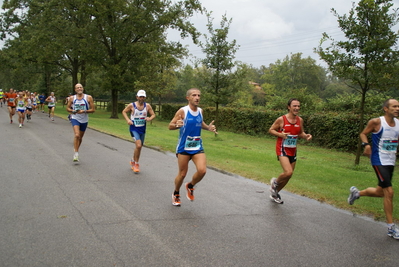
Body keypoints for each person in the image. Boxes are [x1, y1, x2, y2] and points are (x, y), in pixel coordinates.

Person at [348, 99, 399, 240]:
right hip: (378, 160)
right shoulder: (377, 122)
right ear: (386, 109)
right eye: (394, 106)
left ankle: (357, 193)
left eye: (398, 106)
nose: (397, 108)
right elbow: (363, 133)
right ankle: (391, 228)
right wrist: (366, 145)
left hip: (390, 162)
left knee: (380, 192)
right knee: (389, 192)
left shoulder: (398, 124)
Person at [168, 88, 217, 206]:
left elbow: (200, 123)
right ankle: (176, 193)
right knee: (182, 174)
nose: (197, 97)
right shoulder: (182, 111)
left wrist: (208, 128)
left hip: (196, 146)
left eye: (199, 95)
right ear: (188, 98)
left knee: (202, 170)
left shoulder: (200, 111)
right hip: (184, 147)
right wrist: (177, 125)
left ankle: (190, 185)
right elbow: (170, 126)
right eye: (194, 95)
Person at [268, 98, 312, 204]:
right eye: (294, 106)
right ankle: (275, 182)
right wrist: (280, 135)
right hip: (282, 148)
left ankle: (275, 193)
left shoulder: (300, 120)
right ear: (289, 107)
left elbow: (300, 132)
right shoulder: (281, 119)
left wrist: (306, 136)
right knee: (288, 172)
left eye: (298, 106)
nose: (297, 108)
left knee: (289, 176)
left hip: (293, 150)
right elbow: (271, 130)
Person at [122, 90, 156, 173]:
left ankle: (133, 160)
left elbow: (153, 114)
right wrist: (128, 120)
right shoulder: (132, 105)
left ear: (145, 97)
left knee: (139, 147)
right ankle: (136, 164)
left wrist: (149, 118)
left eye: (143, 97)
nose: (142, 98)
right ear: (137, 97)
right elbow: (124, 111)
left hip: (142, 129)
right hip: (134, 128)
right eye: (140, 96)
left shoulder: (147, 106)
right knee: (139, 145)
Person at [66, 83, 95, 162]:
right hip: (75, 118)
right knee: (77, 135)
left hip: (84, 120)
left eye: (80, 87)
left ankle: (77, 149)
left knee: (80, 137)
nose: (79, 89)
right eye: (77, 88)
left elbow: (93, 109)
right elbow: (68, 108)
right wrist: (73, 111)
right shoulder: (72, 98)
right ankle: (76, 153)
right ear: (75, 90)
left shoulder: (88, 97)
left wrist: (84, 111)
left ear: (83, 88)